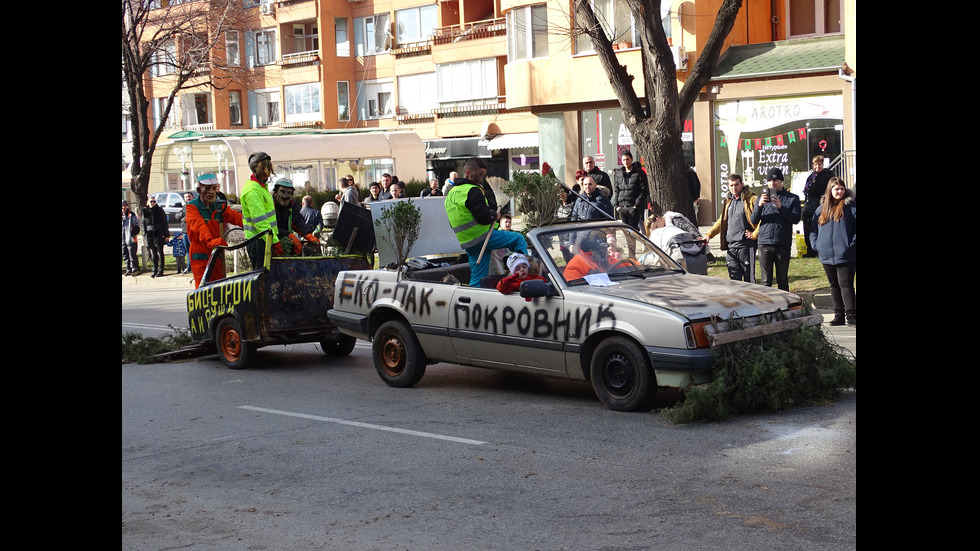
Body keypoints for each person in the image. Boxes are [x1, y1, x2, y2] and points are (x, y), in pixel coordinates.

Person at [445, 156, 528, 287]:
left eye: (483, 175)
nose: (481, 179)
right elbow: (484, 218)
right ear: (468, 172)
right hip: (483, 237)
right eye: (479, 175)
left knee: (478, 278)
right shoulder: (472, 191)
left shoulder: (452, 193)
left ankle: (472, 301)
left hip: (468, 242)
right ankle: (524, 276)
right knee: (518, 239)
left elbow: (453, 221)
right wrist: (495, 215)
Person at [808, 177, 856, 326]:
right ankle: (839, 315)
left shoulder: (851, 207)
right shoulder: (821, 208)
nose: (839, 191)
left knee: (846, 284)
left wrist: (851, 244)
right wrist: (817, 245)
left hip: (846, 254)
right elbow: (813, 230)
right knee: (833, 285)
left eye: (842, 188)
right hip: (826, 254)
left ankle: (852, 315)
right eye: (836, 189)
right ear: (830, 190)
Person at [185, 174, 244, 288]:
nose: (211, 192)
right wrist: (210, 240)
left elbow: (236, 217)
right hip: (201, 252)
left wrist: (252, 225)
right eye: (207, 188)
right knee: (203, 288)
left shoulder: (220, 206)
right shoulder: (192, 207)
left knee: (219, 287)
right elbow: (199, 226)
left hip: (217, 251)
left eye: (214, 188)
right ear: (199, 190)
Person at [751, 167, 801, 291]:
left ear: (781, 181)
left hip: (782, 243)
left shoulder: (792, 198)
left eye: (775, 180)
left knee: (782, 280)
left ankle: (784, 307)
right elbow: (753, 221)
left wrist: (781, 207)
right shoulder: (761, 198)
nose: (772, 183)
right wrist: (759, 206)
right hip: (764, 243)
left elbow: (795, 219)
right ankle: (768, 308)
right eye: (769, 181)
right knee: (765, 282)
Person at [704, 174, 758, 282]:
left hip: (746, 246)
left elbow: (762, 220)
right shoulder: (729, 201)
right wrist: (709, 234)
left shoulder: (752, 199)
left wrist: (754, 234)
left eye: (736, 184)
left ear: (742, 184)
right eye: (731, 185)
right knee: (734, 281)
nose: (734, 188)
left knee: (749, 280)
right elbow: (721, 221)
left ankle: (750, 299)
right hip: (731, 247)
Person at [241, 151, 283, 270]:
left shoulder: (261, 187)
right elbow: (260, 221)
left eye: (268, 167)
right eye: (263, 167)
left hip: (264, 240)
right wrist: (274, 241)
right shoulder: (253, 190)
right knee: (261, 279)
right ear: (255, 168)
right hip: (258, 242)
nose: (267, 171)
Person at [272, 178, 320, 255]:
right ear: (275, 193)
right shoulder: (269, 205)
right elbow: (269, 226)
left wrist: (308, 234)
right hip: (269, 242)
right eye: (282, 191)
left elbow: (298, 220)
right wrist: (288, 235)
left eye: (289, 193)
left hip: (284, 241)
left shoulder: (292, 204)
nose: (285, 196)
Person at [802, 155, 833, 257]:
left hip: (819, 205)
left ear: (822, 165)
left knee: (818, 228)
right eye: (815, 164)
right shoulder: (811, 177)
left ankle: (818, 250)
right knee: (807, 228)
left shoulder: (827, 176)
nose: (817, 167)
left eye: (819, 164)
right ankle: (810, 250)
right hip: (809, 205)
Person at [613, 150, 648, 232]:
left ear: (631, 159)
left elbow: (643, 190)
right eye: (624, 160)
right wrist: (616, 205)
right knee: (626, 231)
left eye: (627, 159)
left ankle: (632, 245)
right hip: (622, 206)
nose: (625, 161)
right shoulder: (618, 173)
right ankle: (630, 245)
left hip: (633, 207)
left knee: (633, 231)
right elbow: (616, 189)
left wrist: (636, 205)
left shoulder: (639, 173)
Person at [141, 195, 169, 277]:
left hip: (159, 232)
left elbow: (164, 222)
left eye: (154, 201)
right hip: (149, 234)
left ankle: (161, 270)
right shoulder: (145, 211)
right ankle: (155, 269)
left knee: (160, 252)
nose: (153, 203)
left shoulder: (159, 210)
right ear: (148, 202)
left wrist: (166, 235)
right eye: (151, 201)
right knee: (153, 253)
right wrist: (144, 233)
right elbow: (143, 223)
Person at [173, 191, 195, 274]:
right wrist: (182, 215)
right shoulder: (184, 207)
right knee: (188, 251)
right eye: (186, 197)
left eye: (189, 196)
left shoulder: (195, 206)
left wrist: (184, 218)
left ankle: (195, 267)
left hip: (192, 232)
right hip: (185, 232)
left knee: (194, 250)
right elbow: (177, 216)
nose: (188, 198)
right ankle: (189, 268)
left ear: (192, 197)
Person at [122, 200, 141, 276]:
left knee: (132, 254)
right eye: (122, 206)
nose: (123, 207)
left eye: (125, 205)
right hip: (123, 239)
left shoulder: (131, 215)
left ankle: (135, 269)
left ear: (127, 206)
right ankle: (128, 269)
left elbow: (137, 227)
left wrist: (132, 235)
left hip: (131, 239)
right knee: (125, 254)